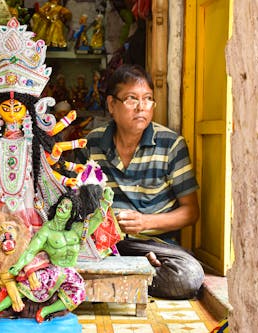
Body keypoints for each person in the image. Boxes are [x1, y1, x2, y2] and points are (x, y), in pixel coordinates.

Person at [77, 64, 204, 299]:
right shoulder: (92, 144)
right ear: (111, 105)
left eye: (147, 99)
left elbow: (191, 212)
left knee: (189, 276)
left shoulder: (170, 144)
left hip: (153, 245)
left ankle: (120, 277)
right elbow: (79, 205)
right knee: (51, 259)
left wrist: (145, 222)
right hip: (103, 244)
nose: (141, 107)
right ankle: (133, 274)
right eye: (131, 99)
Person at [0, 186, 114, 322]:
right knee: (26, 286)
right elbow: (30, 251)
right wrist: (18, 265)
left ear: (72, 213)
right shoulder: (46, 230)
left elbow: (97, 219)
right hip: (53, 270)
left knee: (79, 293)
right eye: (61, 204)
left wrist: (105, 202)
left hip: (69, 271)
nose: (62, 208)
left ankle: (45, 311)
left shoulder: (77, 229)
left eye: (67, 207)